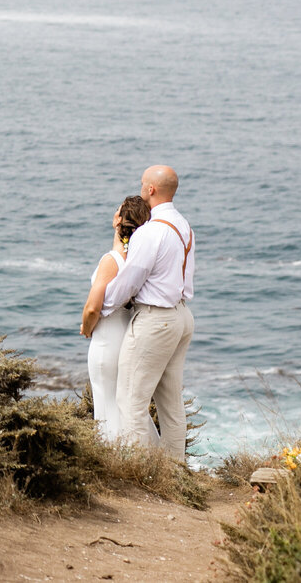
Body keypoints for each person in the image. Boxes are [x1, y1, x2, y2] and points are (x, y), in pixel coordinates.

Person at [103, 164, 195, 458]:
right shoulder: (184, 226)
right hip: (181, 317)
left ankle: (141, 474)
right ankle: (174, 473)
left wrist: (102, 308)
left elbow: (130, 280)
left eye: (143, 184)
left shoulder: (150, 232)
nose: (141, 188)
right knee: (171, 405)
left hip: (156, 320)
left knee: (130, 400)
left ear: (150, 190)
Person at [79, 194, 152, 438]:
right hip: (127, 336)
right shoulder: (136, 262)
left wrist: (87, 327)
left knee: (105, 400)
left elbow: (92, 308)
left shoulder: (110, 260)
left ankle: (115, 456)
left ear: (117, 220)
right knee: (124, 402)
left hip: (106, 339)